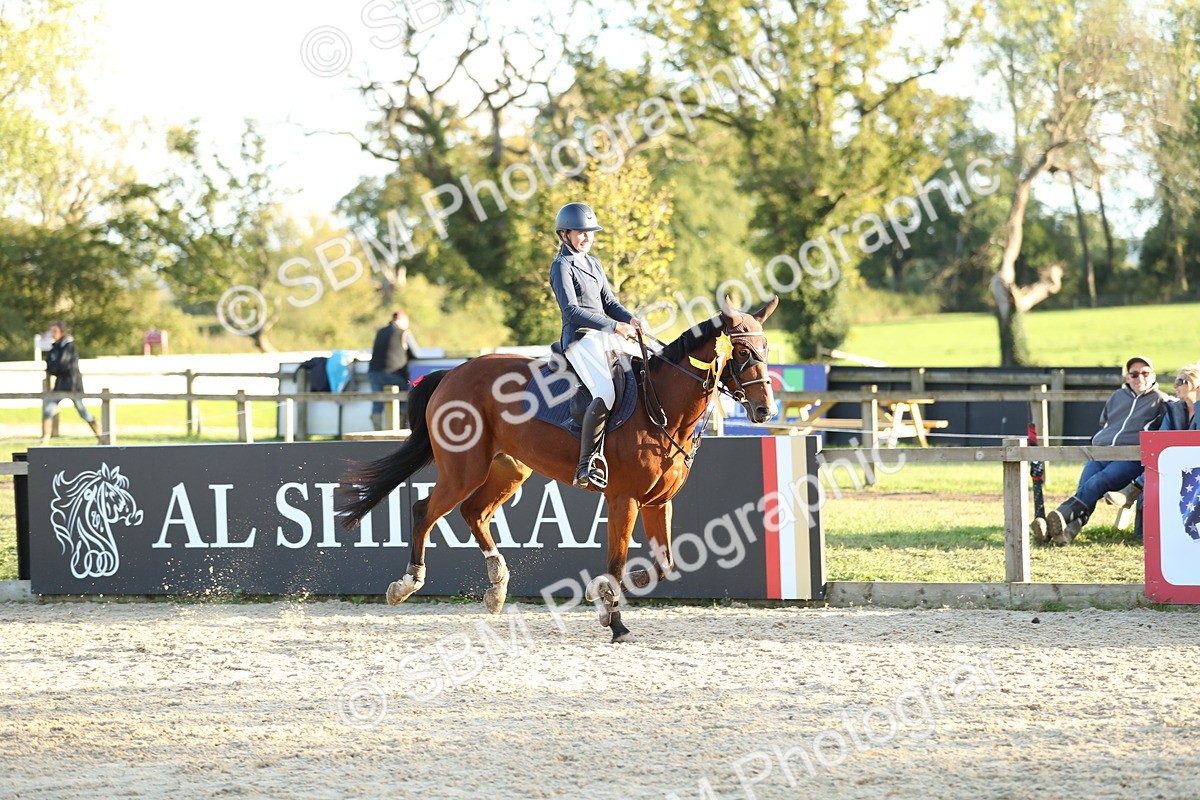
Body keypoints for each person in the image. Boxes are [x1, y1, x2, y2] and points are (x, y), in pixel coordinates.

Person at [549, 202, 643, 488]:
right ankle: (586, 464)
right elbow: (572, 311)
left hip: (604, 335)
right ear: (564, 234)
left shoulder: (593, 263)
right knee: (606, 391)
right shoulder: (561, 266)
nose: (587, 237)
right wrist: (616, 326)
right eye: (581, 232)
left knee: (648, 365)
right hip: (579, 339)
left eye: (590, 232)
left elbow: (609, 303)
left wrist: (630, 319)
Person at [1031, 356, 1169, 546]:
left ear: (1153, 376)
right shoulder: (1117, 397)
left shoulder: (1162, 401)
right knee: (1085, 486)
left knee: (1097, 482)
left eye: (1145, 373)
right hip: (1102, 453)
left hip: (1131, 458)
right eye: (1134, 374)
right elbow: (1105, 422)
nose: (1140, 378)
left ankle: (1057, 518)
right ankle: (1066, 532)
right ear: (1127, 378)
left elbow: (1175, 418)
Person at [1102, 363, 1200, 537]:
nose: (1175, 385)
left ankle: (1133, 490)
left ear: (1195, 385)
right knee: (1151, 485)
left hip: (1195, 466)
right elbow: (1161, 440)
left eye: (1180, 381)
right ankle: (1144, 536)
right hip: (1175, 464)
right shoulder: (1174, 410)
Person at [42, 320, 101, 444]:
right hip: (60, 384)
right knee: (48, 410)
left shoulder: (68, 346)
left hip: (72, 384)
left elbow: (62, 365)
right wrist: (54, 368)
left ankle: (100, 435)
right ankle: (45, 439)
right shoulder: (55, 347)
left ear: (62, 332)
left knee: (82, 411)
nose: (53, 334)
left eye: (55, 331)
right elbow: (49, 365)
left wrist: (54, 368)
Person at [367, 311, 420, 430]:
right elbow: (416, 353)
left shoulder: (380, 331)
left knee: (377, 402)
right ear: (403, 321)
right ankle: (399, 430)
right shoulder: (404, 333)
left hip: (374, 372)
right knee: (402, 401)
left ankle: (377, 431)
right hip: (394, 373)